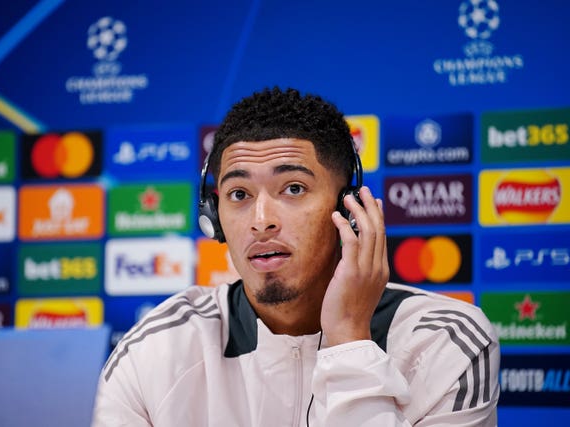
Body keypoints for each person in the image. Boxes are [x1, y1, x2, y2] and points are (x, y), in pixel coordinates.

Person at [92, 87, 500, 426]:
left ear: (348, 208)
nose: (261, 221)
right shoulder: (157, 350)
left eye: (293, 189)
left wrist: (348, 339)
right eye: (239, 195)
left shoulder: (443, 341)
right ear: (213, 217)